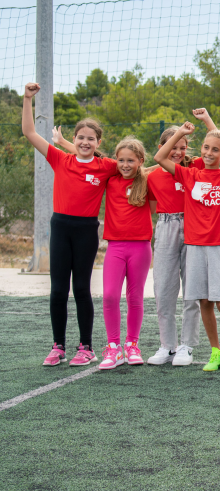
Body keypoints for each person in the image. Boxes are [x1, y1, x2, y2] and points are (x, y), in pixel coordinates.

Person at [26, 83, 118, 367]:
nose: (85, 142)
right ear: (74, 139)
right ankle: (58, 346)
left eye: (91, 139)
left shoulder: (106, 166)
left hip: (86, 231)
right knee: (57, 290)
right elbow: (29, 132)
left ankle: (86, 347)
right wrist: (27, 99)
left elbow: (135, 167)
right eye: (80, 138)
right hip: (60, 228)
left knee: (81, 288)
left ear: (98, 142)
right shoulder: (60, 158)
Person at [154, 120, 220, 372]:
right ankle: (216, 352)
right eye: (206, 147)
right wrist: (180, 133)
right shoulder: (189, 174)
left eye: (215, 149)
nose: (208, 153)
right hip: (194, 245)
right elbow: (159, 158)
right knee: (204, 301)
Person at [143, 109, 220, 366]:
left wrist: (206, 120)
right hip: (165, 227)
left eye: (182, 147)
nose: (177, 152)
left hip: (193, 227)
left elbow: (216, 141)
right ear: (162, 147)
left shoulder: (194, 167)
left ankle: (186, 345)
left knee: (192, 289)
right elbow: (152, 207)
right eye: (172, 146)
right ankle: (167, 345)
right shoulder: (152, 176)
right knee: (163, 288)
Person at [96, 137, 156, 370]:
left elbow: (162, 166)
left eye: (130, 160)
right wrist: (62, 141)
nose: (125, 165)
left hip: (140, 247)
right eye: (121, 160)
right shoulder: (110, 180)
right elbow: (89, 155)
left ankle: (132, 345)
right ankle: (114, 348)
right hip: (115, 247)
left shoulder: (148, 181)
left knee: (135, 297)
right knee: (110, 295)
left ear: (140, 161)